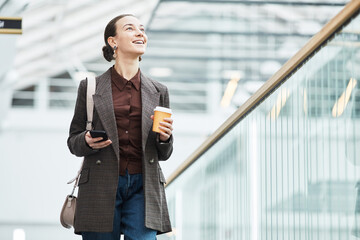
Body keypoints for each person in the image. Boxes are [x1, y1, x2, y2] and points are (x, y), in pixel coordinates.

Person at [67, 14, 174, 240]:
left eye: (142, 29)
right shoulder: (90, 87)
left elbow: (164, 153)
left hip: (143, 188)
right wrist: (85, 140)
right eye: (130, 28)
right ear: (112, 41)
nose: (139, 33)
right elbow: (73, 141)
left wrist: (164, 139)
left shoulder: (159, 91)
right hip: (100, 184)